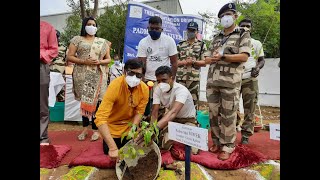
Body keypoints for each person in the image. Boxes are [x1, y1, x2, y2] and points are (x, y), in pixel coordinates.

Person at [203, 3, 251, 160]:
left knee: (229, 115)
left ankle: (228, 146)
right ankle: (216, 141)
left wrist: (223, 57)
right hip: (212, 82)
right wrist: (209, 58)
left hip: (230, 82)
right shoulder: (216, 37)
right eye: (223, 16)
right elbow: (208, 58)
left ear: (235, 16)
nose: (225, 18)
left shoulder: (243, 34)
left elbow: (244, 56)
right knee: (213, 114)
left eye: (228, 14)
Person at [136, 66, 199, 155]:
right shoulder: (158, 89)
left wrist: (155, 129)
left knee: (193, 151)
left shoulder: (181, 91)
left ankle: (195, 129)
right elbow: (154, 112)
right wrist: (152, 130)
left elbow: (173, 112)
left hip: (187, 120)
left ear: (172, 78)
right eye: (158, 81)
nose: (161, 83)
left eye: (164, 80)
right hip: (172, 120)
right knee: (163, 144)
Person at [67, 17, 111, 141]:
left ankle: (96, 129)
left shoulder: (102, 42)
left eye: (94, 24)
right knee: (85, 101)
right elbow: (70, 56)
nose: (91, 26)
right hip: (82, 74)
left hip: (98, 74)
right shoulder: (77, 40)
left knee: (98, 102)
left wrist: (100, 61)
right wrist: (84, 61)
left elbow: (108, 59)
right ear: (84, 26)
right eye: (89, 24)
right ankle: (85, 128)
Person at [94, 59, 149, 159]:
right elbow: (100, 117)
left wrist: (133, 129)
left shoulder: (144, 89)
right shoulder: (115, 86)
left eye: (138, 75)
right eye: (131, 73)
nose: (134, 78)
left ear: (143, 76)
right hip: (112, 128)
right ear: (124, 71)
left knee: (135, 153)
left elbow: (140, 112)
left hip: (129, 129)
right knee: (111, 152)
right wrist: (112, 148)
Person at [137, 16, 178, 116]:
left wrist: (171, 80)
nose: (154, 31)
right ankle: (146, 125)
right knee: (146, 105)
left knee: (162, 107)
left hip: (163, 80)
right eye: (152, 29)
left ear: (161, 29)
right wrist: (141, 81)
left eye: (157, 29)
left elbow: (174, 63)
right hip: (148, 79)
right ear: (148, 28)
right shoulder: (143, 42)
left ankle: (160, 127)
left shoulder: (169, 41)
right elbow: (141, 64)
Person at [236, 18, 265, 144]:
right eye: (243, 26)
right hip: (234, 78)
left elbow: (262, 60)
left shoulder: (257, 43)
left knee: (250, 108)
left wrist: (257, 68)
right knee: (231, 107)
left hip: (250, 79)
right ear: (239, 27)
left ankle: (246, 136)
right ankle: (231, 133)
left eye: (248, 26)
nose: (245, 28)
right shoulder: (234, 42)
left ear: (251, 28)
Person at [176, 21, 207, 109]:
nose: (191, 32)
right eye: (189, 30)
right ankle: (178, 121)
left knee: (193, 102)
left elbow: (205, 62)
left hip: (193, 79)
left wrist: (194, 62)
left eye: (193, 30)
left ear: (197, 32)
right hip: (180, 78)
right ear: (187, 31)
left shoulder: (201, 45)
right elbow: (175, 62)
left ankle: (193, 121)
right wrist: (185, 62)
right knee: (179, 101)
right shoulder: (180, 45)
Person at [40, 21, 59, 145]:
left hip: (41, 65)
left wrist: (41, 54)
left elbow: (54, 50)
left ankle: (43, 137)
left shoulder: (48, 27)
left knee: (41, 103)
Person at [50, 30, 67, 102]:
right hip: (47, 74)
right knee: (47, 95)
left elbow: (67, 60)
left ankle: (60, 111)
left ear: (58, 38)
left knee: (61, 96)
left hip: (60, 75)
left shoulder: (64, 48)